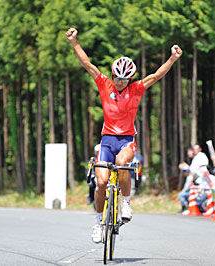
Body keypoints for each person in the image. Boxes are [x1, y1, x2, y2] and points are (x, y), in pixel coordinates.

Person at [66, 27, 183, 243]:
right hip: (107, 140)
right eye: (118, 78)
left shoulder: (136, 89)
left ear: (130, 78)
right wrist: (74, 42)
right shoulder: (104, 84)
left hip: (127, 140)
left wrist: (172, 58)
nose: (121, 82)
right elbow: (87, 64)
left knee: (122, 163)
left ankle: (126, 203)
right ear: (113, 76)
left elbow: (156, 75)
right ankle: (98, 222)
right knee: (100, 183)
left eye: (125, 79)